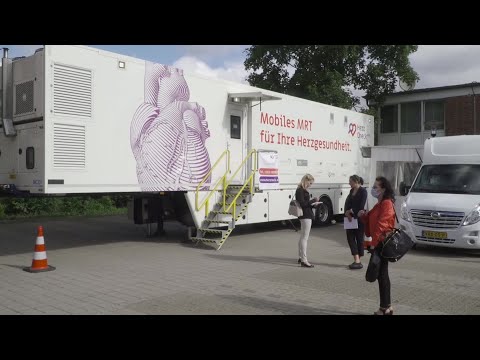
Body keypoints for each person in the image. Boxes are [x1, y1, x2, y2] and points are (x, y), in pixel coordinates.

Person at [358, 176, 396, 315]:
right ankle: (386, 307)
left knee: (382, 275)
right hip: (378, 243)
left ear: (383, 189)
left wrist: (374, 244)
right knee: (382, 275)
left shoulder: (386, 203)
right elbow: (370, 220)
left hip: (382, 244)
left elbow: (383, 224)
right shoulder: (378, 204)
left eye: (376, 187)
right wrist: (363, 215)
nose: (373, 189)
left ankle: (385, 307)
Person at [295, 174, 319, 268]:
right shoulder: (300, 190)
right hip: (305, 216)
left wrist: (315, 204)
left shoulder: (302, 190)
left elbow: (306, 204)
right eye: (310, 183)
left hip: (306, 215)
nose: (310, 185)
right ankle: (304, 260)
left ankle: (301, 257)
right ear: (306, 180)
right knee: (305, 238)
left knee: (302, 237)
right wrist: (313, 201)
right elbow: (303, 204)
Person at [344, 175, 367, 269]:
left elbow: (361, 205)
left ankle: (357, 260)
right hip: (350, 219)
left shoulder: (363, 191)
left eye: (350, 181)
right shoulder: (351, 191)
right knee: (350, 238)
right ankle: (357, 259)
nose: (349, 183)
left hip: (359, 219)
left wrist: (351, 211)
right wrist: (347, 212)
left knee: (359, 239)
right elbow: (347, 203)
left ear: (356, 181)